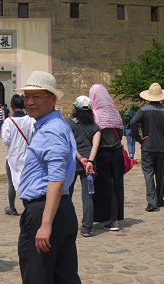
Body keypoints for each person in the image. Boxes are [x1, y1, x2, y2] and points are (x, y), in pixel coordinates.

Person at [16, 71, 81, 284]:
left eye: (37, 97)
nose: (29, 102)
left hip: (45, 210)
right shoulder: (56, 125)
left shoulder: (51, 130)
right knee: (64, 277)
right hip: (59, 208)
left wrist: (45, 224)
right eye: (27, 96)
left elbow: (56, 177)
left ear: (52, 99)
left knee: (38, 277)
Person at [130, 83, 164, 213]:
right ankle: (160, 199)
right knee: (160, 174)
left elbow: (133, 123)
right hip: (161, 147)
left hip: (148, 146)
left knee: (148, 173)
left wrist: (138, 138)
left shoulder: (143, 110)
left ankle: (152, 201)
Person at [89, 84, 125, 231]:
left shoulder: (95, 114)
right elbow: (121, 134)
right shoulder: (115, 113)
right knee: (117, 185)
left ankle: (111, 219)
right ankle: (115, 216)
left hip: (103, 154)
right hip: (117, 153)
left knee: (106, 186)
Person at [66, 95, 100, 237]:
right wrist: (90, 162)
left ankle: (67, 225)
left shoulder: (69, 123)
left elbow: (69, 144)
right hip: (90, 167)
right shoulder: (95, 126)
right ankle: (86, 228)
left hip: (73, 163)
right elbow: (95, 145)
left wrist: (81, 158)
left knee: (67, 195)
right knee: (88, 197)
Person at [1, 94, 34, 216]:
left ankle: (12, 207)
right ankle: (29, 206)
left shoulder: (8, 121)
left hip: (12, 156)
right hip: (28, 155)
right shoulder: (30, 120)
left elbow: (6, 141)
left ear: (13, 106)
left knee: (11, 183)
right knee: (28, 181)